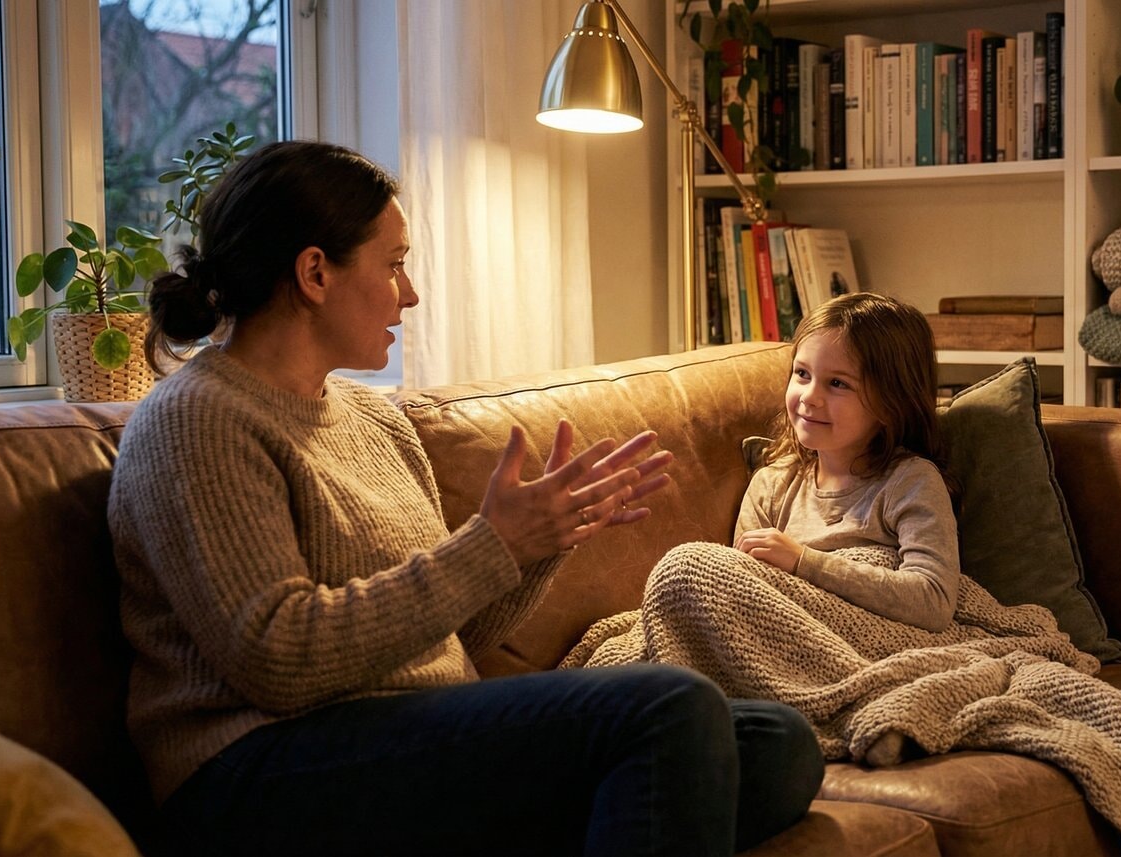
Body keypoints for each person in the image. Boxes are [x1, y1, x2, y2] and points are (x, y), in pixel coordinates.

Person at [108, 139, 822, 857]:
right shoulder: (198, 418)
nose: (410, 292)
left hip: (409, 738)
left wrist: (539, 541)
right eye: (393, 264)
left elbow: (449, 640)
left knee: (777, 744)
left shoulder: (376, 418)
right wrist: (495, 544)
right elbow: (277, 657)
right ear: (315, 272)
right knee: (672, 708)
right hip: (256, 770)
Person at [734, 292, 959, 631]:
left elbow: (933, 601)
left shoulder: (910, 481)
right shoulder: (772, 484)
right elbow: (738, 591)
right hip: (782, 635)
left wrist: (803, 562)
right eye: (802, 374)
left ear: (890, 402)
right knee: (691, 567)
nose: (810, 397)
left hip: (869, 644)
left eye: (837, 383)